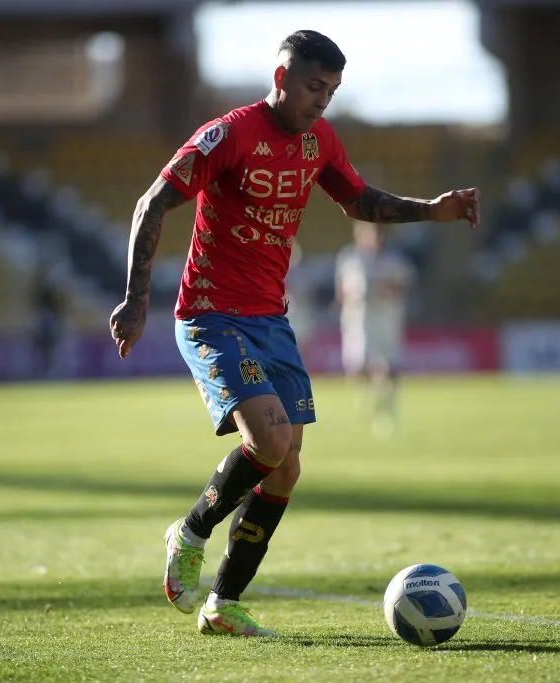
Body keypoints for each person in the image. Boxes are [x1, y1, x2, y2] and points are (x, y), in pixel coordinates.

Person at [108, 29, 480, 637]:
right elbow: (152, 203)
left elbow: (359, 201)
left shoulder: (320, 139)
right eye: (314, 86)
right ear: (281, 78)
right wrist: (135, 296)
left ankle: (222, 605)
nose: (322, 101)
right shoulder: (229, 135)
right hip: (211, 313)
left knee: (285, 469)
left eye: (331, 91)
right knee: (272, 441)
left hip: (270, 320)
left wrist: (429, 209)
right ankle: (191, 530)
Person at [335, 220, 415, 437]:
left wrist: (389, 289)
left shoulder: (393, 260)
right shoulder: (349, 258)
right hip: (357, 321)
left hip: (386, 320)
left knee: (387, 366)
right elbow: (341, 291)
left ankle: (386, 412)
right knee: (358, 368)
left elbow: (404, 286)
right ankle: (367, 403)